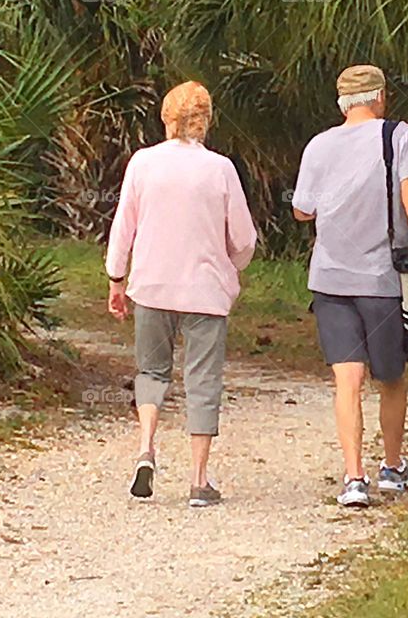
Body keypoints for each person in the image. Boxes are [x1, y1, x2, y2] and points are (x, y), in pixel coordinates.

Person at [292, 65, 408, 507]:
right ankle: (393, 468)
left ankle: (353, 477)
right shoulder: (398, 136)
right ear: (379, 97)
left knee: (347, 379)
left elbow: (302, 210)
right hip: (382, 280)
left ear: (342, 103)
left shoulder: (319, 145)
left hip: (330, 280)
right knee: (391, 376)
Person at [105, 81, 257, 508]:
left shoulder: (143, 163)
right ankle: (198, 479)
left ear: (165, 117)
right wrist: (233, 263)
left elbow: (124, 226)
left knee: (151, 372)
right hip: (205, 293)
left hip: (151, 286)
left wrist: (117, 278)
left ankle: (146, 448)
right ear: (206, 121)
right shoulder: (221, 169)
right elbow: (243, 239)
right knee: (202, 380)